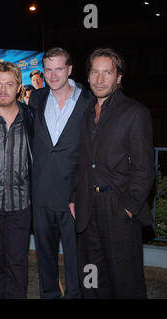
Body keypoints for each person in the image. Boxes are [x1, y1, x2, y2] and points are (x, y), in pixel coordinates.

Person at [70, 48, 154, 298]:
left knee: (125, 281)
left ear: (119, 77)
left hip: (118, 209)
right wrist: (74, 196)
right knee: (92, 278)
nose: (100, 79)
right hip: (87, 207)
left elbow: (144, 168)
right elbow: (83, 161)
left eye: (107, 72)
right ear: (88, 76)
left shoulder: (135, 113)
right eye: (95, 72)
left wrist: (128, 207)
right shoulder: (86, 115)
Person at [29, 47, 94, 299]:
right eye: (48, 69)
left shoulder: (88, 102)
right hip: (42, 192)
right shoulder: (36, 99)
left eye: (58, 68)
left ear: (69, 69)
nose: (53, 74)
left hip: (74, 195)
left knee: (76, 258)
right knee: (45, 258)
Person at [0, 62, 33, 299]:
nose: (3, 90)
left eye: (9, 84)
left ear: (19, 87)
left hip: (22, 204)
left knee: (18, 264)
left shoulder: (31, 117)